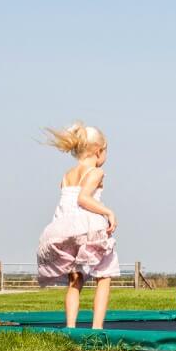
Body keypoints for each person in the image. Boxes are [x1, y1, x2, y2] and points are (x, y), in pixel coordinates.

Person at [37, 121, 118, 329]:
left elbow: (67, 199)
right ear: (99, 151)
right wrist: (108, 211)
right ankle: (97, 328)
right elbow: (83, 199)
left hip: (65, 228)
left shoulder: (67, 175)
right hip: (88, 228)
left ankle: (71, 327)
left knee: (75, 279)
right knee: (104, 275)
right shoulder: (96, 173)